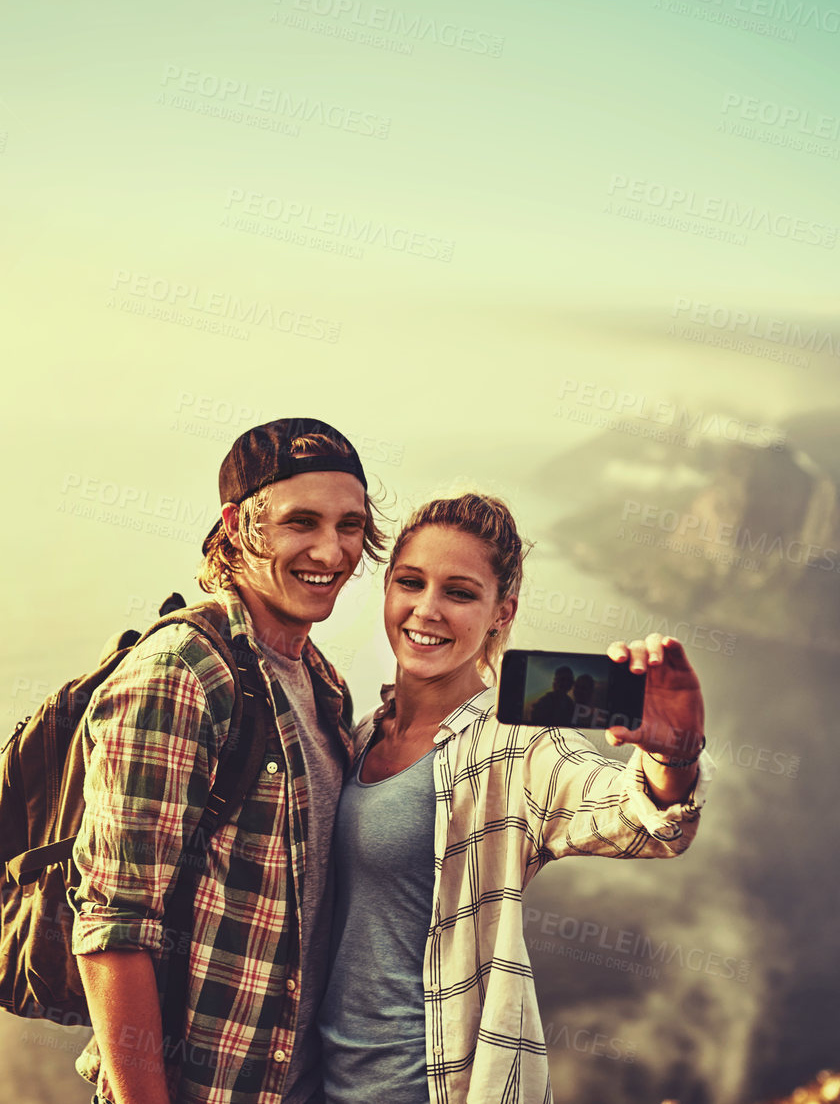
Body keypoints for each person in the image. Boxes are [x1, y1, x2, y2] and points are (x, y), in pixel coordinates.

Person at [318, 493, 716, 1104]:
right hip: (317, 1082)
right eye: (411, 582)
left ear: (502, 613)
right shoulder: (359, 732)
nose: (426, 609)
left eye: (460, 592)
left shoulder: (513, 747)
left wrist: (673, 755)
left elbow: (640, 816)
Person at [69, 417, 387, 1104]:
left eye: (350, 524)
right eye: (301, 521)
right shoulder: (181, 673)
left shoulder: (320, 681)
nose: (330, 549)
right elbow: (111, 929)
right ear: (239, 525)